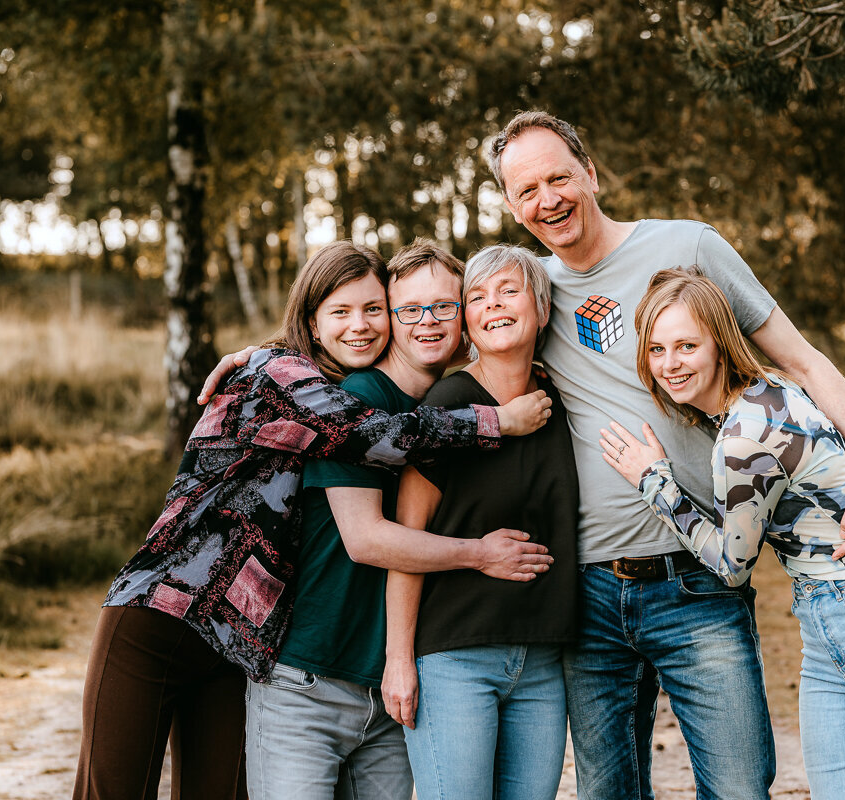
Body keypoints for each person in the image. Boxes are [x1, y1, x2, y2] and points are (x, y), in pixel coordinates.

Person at [484, 110, 845, 800]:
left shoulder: (689, 247)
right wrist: (278, 355)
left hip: (700, 578)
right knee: (608, 792)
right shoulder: (530, 289)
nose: (547, 200)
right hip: (587, 588)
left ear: (590, 174)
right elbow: (423, 329)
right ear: (510, 203)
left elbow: (801, 359)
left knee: (739, 788)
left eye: (559, 178)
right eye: (526, 190)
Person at [73, 241, 553, 800]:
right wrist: (497, 422)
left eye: (375, 309)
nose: (363, 326)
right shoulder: (278, 373)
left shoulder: (337, 385)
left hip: (240, 643)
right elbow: (370, 436)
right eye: (341, 311)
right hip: (159, 620)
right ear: (311, 320)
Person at [599, 267, 845, 800]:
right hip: (825, 630)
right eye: (656, 349)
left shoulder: (745, 437)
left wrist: (654, 482)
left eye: (686, 346)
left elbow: (731, 566)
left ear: (719, 343)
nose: (670, 365)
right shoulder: (766, 393)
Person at [244, 240, 548, 799]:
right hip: (311, 674)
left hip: (389, 691)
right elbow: (366, 541)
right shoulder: (356, 400)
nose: (427, 322)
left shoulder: (455, 404)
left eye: (444, 307)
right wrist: (481, 554)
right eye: (409, 309)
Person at [380, 244, 579, 800]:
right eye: (477, 297)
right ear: (467, 318)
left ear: (540, 308)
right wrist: (400, 660)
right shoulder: (449, 405)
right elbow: (406, 537)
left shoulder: (562, 402)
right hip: (453, 659)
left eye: (508, 291)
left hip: (541, 659)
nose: (493, 306)